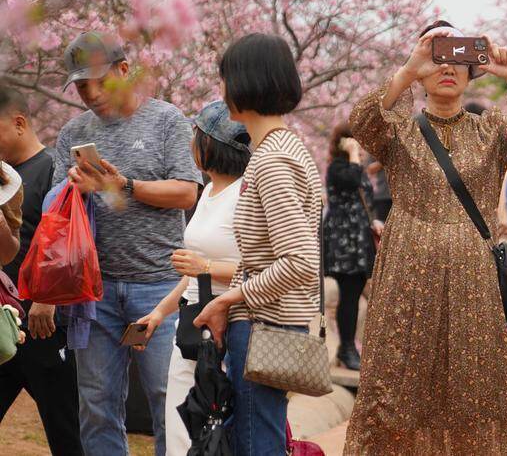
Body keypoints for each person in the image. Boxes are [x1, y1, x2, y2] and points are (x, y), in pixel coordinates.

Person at [343, 20, 507, 455]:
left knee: (477, 390)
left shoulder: (493, 132)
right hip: (406, 283)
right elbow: (363, 121)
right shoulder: (398, 133)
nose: (448, 66)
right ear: (421, 69)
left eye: (459, 58)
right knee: (397, 388)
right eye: (437, 56)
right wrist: (407, 69)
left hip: (473, 285)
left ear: (473, 70)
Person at [53, 32, 202, 456]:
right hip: (94, 291)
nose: (93, 93)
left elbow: (187, 192)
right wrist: (75, 191)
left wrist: (125, 185)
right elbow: (58, 214)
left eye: (101, 81)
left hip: (159, 286)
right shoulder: (72, 132)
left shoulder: (167, 120)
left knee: (165, 400)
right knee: (97, 406)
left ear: (124, 71)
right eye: (82, 86)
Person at [193, 34, 324, 455]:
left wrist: (227, 299)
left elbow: (301, 259)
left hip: (264, 328)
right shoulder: (287, 148)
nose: (224, 90)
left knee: (256, 444)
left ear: (243, 83)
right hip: (277, 326)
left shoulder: (271, 161)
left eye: (226, 79)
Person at [132, 101, 250, 456]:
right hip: (189, 325)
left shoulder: (244, 195)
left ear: (210, 144)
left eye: (195, 135)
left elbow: (255, 267)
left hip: (227, 326)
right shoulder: (208, 193)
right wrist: (158, 314)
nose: (189, 142)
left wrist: (206, 266)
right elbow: (191, 274)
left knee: (214, 430)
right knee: (181, 425)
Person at [0, 86, 83, 456]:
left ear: (19, 123)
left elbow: (64, 238)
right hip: (6, 326)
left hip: (42, 326)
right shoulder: (5, 176)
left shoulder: (51, 167)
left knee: (65, 430)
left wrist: (46, 299)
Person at [322, 123, 383, 371]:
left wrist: (375, 220)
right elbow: (351, 179)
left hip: (359, 237)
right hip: (344, 240)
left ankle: (348, 346)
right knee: (348, 292)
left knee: (355, 291)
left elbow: (365, 199)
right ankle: (346, 349)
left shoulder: (357, 168)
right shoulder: (338, 168)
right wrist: (353, 155)